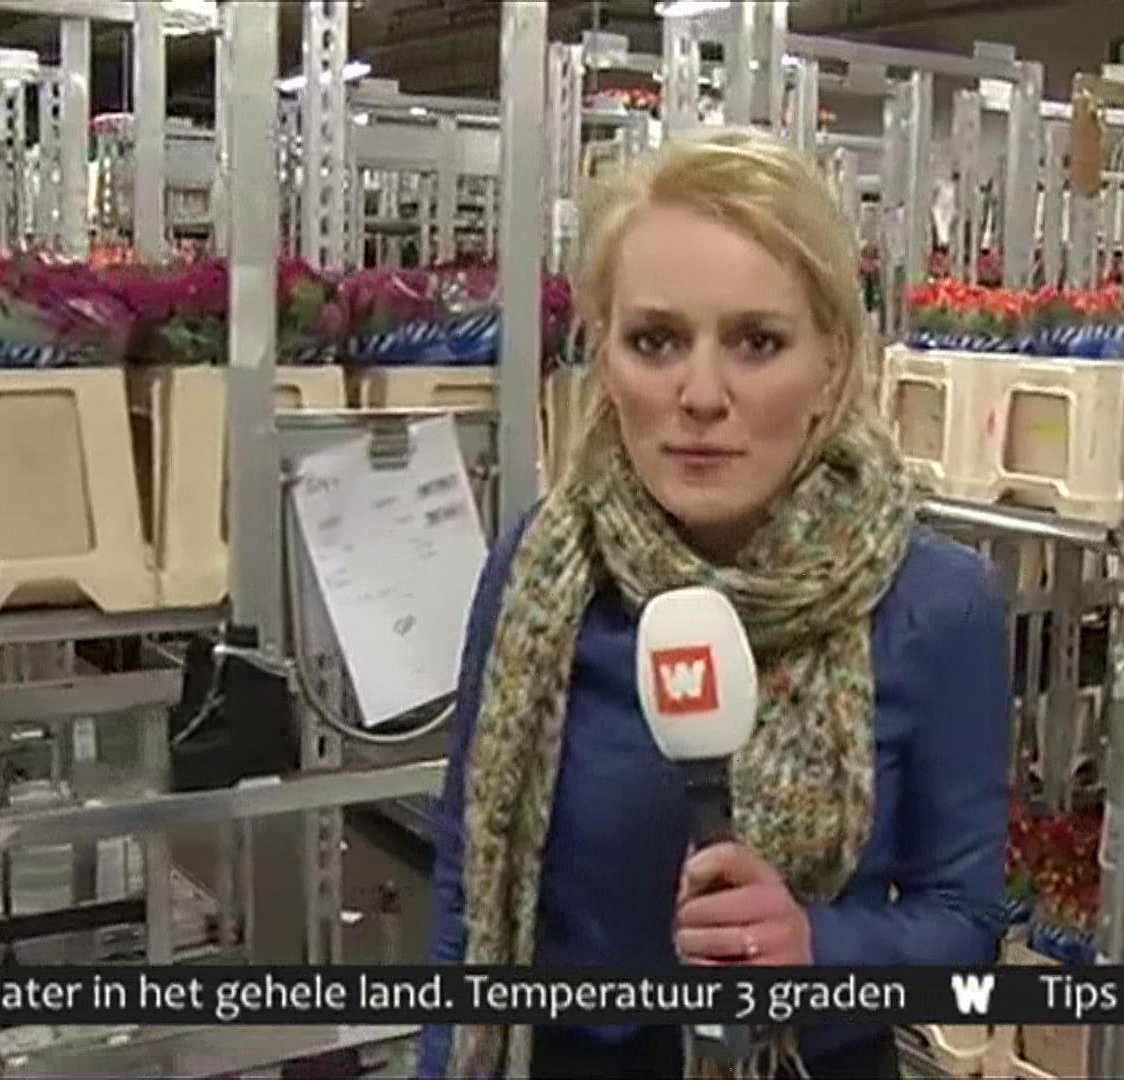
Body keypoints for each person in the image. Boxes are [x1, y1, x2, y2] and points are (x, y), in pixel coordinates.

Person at [419, 127, 1010, 1080]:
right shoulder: (537, 571)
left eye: (757, 342)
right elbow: (465, 887)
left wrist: (817, 950)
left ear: (830, 362)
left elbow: (966, 927)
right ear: (603, 355)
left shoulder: (936, 604)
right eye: (655, 341)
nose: (700, 394)